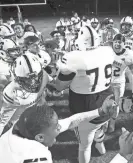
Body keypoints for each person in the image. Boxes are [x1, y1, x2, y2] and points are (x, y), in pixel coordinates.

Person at [0, 95, 117, 163]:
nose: (59, 130)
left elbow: (71, 121)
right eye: (55, 129)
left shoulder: (20, 130)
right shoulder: (36, 155)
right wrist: (122, 156)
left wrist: (100, 111)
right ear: (40, 137)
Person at [53, 25, 115, 163]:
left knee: (84, 146)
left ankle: (96, 145)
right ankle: (100, 145)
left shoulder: (73, 57)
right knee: (98, 126)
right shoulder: (108, 50)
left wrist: (60, 69)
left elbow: (59, 86)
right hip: (108, 99)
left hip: (85, 105)